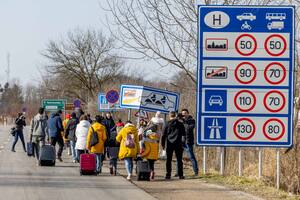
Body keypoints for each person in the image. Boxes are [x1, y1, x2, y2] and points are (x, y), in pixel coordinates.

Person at [161, 111, 186, 180]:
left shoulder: (166, 124)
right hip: (178, 143)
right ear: (175, 115)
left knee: (169, 160)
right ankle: (181, 175)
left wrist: (163, 144)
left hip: (169, 143)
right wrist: (183, 143)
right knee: (179, 160)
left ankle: (168, 174)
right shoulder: (180, 124)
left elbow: (163, 135)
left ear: (169, 116)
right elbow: (184, 134)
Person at [182, 109, 199, 176]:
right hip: (181, 141)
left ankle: (196, 172)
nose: (184, 115)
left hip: (188, 141)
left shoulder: (192, 120)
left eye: (185, 113)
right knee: (179, 157)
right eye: (183, 113)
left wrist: (184, 122)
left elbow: (189, 129)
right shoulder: (180, 120)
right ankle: (178, 172)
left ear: (188, 113)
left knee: (191, 156)